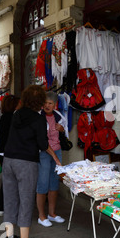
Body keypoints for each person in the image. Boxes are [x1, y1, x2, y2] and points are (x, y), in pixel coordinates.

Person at [2, 85, 60, 238]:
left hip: (9, 160)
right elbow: (43, 144)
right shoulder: (38, 119)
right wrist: (56, 158)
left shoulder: (16, 114)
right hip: (26, 163)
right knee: (26, 200)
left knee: (10, 199)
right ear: (40, 102)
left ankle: (9, 236)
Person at [37, 91, 68, 227]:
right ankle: (41, 216)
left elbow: (65, 132)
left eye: (50, 103)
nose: (47, 105)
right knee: (42, 183)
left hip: (57, 150)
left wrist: (62, 129)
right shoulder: (38, 116)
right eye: (45, 103)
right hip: (43, 152)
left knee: (54, 183)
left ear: (55, 105)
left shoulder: (59, 116)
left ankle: (52, 213)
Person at [0, 95, 20, 216]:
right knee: (10, 181)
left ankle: (3, 207)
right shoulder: (12, 118)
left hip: (2, 150)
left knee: (7, 180)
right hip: (8, 152)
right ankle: (6, 207)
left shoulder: (5, 117)